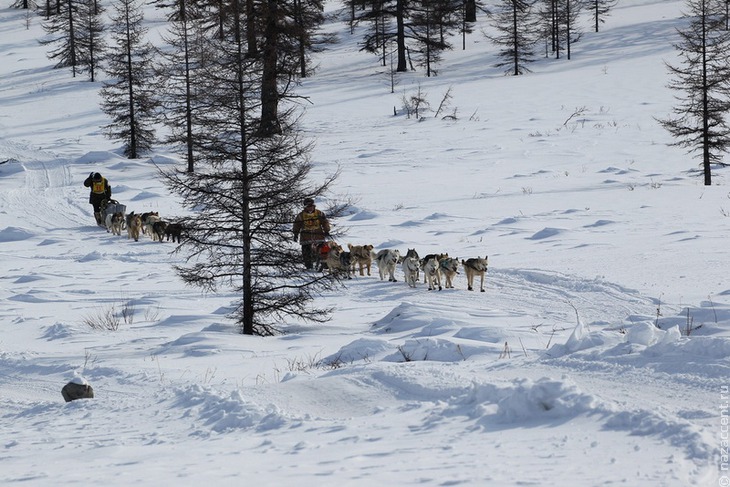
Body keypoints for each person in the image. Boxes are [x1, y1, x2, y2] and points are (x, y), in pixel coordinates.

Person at [292, 198, 331, 270]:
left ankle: (325, 265)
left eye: (311, 206)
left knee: (323, 251)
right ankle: (309, 266)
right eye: (308, 206)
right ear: (305, 207)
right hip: (306, 237)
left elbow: (325, 222)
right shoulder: (301, 215)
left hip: (318, 236)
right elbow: (297, 225)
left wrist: (326, 230)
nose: (310, 208)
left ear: (314, 206)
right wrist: (295, 234)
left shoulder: (319, 213)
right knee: (306, 252)